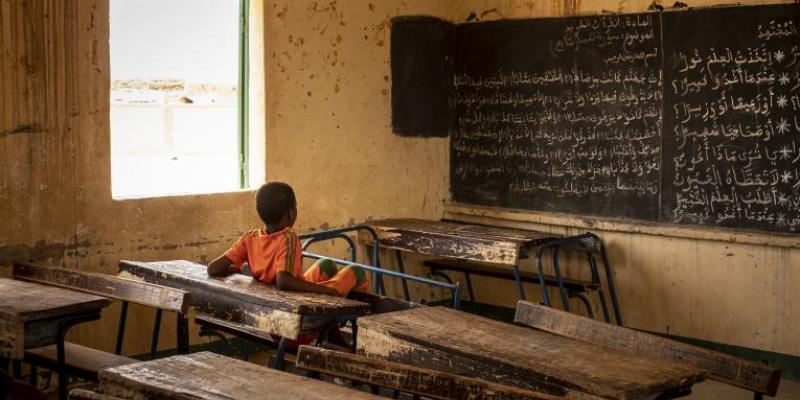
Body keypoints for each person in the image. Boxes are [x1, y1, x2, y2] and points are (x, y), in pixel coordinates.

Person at [206, 182, 369, 297]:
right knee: (357, 271)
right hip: (296, 317)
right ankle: (343, 319)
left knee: (327, 265)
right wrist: (328, 291)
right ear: (290, 214)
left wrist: (240, 272)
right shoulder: (288, 238)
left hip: (275, 304)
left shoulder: (249, 238)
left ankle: (334, 333)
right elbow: (283, 281)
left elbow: (213, 269)